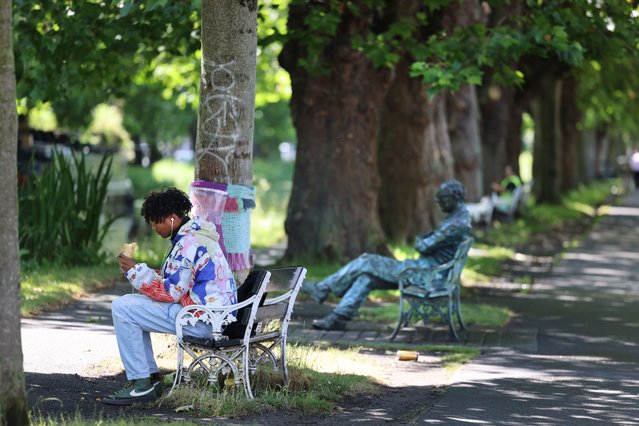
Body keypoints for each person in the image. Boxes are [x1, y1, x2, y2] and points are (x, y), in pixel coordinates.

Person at [103, 187, 237, 406]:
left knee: (123, 307)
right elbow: (175, 280)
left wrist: (135, 271)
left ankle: (142, 383)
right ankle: (149, 379)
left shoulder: (189, 242)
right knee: (127, 305)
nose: (154, 227)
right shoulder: (193, 236)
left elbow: (170, 292)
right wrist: (137, 269)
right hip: (209, 314)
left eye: (156, 221)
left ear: (172, 218)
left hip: (201, 320)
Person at [301, 180, 472, 331]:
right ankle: (337, 318)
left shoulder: (456, 224)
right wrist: (424, 240)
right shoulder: (458, 219)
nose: (437, 200)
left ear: (453, 198)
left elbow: (424, 246)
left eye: (441, 197)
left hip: (425, 274)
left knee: (367, 261)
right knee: (366, 277)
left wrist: (421, 240)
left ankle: (323, 288)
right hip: (426, 270)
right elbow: (427, 243)